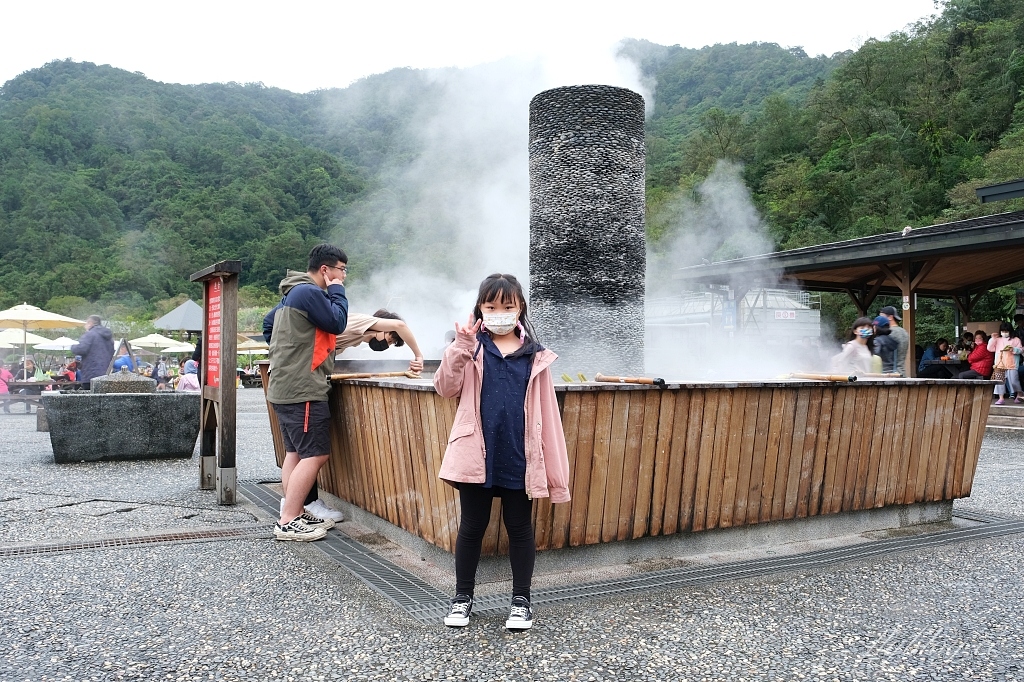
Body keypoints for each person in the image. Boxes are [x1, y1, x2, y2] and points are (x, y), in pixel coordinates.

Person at [433, 273, 570, 631]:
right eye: (490, 306)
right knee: (472, 527)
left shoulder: (535, 355)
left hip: (519, 453)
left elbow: (549, 415)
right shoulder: (471, 347)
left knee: (520, 527)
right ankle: (462, 599)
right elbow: (445, 388)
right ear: (479, 308)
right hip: (476, 451)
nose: (498, 313)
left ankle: (521, 602)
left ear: (520, 308)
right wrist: (460, 346)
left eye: (506, 306)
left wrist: (554, 467)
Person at [266, 244, 349, 542]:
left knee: (296, 453)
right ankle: (288, 520)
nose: (343, 276)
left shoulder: (293, 293)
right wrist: (337, 291)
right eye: (341, 270)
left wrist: (291, 352)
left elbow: (267, 324)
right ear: (325, 270)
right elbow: (337, 322)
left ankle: (293, 512)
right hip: (303, 389)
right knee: (316, 454)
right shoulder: (311, 292)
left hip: (286, 386)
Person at [71, 316, 114, 389]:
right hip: (106, 373)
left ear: (90, 323)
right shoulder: (109, 338)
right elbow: (112, 352)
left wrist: (73, 347)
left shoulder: (90, 334)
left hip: (91, 373)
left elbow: (82, 349)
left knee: (90, 398)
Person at [988, 322, 1022, 404]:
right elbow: (990, 348)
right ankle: (1001, 398)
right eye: (1003, 331)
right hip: (999, 363)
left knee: (1014, 381)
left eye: (1006, 331)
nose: (1004, 333)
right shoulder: (997, 339)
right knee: (1000, 381)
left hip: (1012, 364)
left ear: (1010, 331)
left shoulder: (1016, 339)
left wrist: (1013, 349)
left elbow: (1021, 350)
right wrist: (992, 339)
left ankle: (1019, 393)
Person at [879, 306, 910, 376]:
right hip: (901, 372)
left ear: (890, 317)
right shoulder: (904, 332)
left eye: (882, 316)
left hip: (889, 374)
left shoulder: (889, 333)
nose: (880, 319)